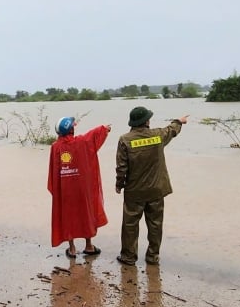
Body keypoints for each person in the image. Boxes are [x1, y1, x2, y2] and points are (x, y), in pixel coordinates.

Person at [114, 106, 188, 266]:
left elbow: (121, 167)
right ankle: (153, 257)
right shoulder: (158, 135)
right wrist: (179, 121)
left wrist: (119, 184)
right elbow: (172, 130)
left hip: (135, 191)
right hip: (156, 189)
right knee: (155, 224)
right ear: (146, 121)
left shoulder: (125, 140)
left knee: (130, 225)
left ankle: (128, 257)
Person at [47, 116, 112, 258]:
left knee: (68, 216)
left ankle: (72, 249)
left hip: (65, 190)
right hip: (82, 190)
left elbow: (54, 171)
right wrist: (105, 129)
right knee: (85, 213)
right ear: (71, 129)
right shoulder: (81, 142)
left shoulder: (55, 147)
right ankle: (89, 246)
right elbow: (93, 135)